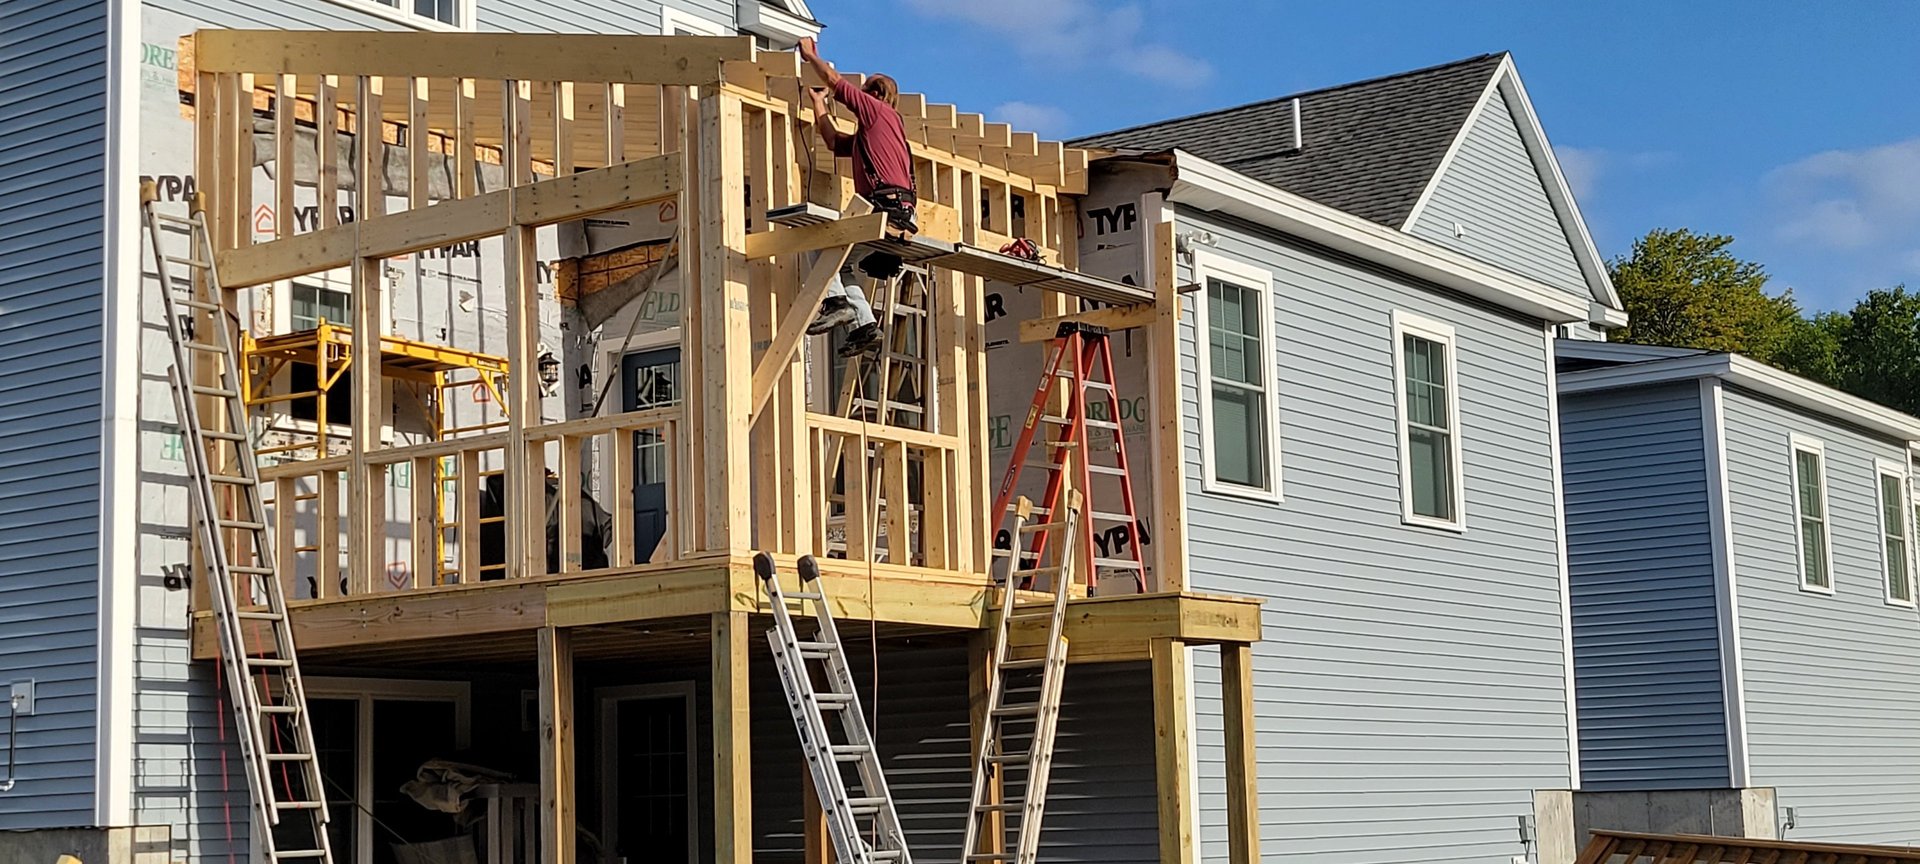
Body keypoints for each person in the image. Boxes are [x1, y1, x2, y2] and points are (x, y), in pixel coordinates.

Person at [798, 36, 918, 358]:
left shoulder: (877, 111)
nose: (859, 97)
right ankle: (864, 325)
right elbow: (834, 142)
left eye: (864, 91)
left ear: (876, 94)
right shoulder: (877, 135)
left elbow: (835, 81)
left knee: (815, 246)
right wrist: (819, 103)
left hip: (884, 210)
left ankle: (837, 303)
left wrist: (811, 55)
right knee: (840, 265)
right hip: (898, 212)